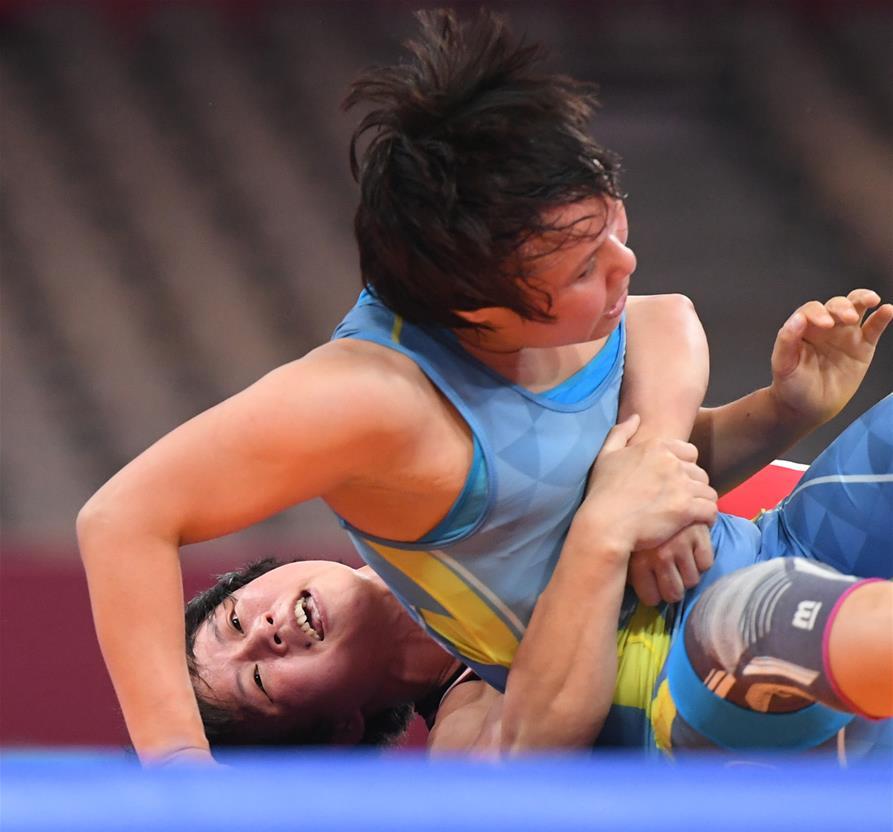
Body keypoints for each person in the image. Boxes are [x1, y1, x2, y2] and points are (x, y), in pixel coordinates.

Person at [77, 8, 892, 764]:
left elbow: (658, 319)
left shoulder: (522, 277)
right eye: (584, 267)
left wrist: (692, 439)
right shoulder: (371, 398)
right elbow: (121, 518)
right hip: (697, 668)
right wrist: (182, 781)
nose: (624, 265)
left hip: (782, 543)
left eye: (612, 222)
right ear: (481, 313)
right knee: (756, 620)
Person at [185, 393, 893, 759]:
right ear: (338, 730)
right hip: (756, 716)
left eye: (238, 619)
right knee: (743, 626)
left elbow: (658, 318)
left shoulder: (423, 488)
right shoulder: (467, 743)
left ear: (266, 570)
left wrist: (780, 410)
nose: (266, 633)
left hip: (793, 534)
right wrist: (606, 528)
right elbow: (529, 758)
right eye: (256, 680)